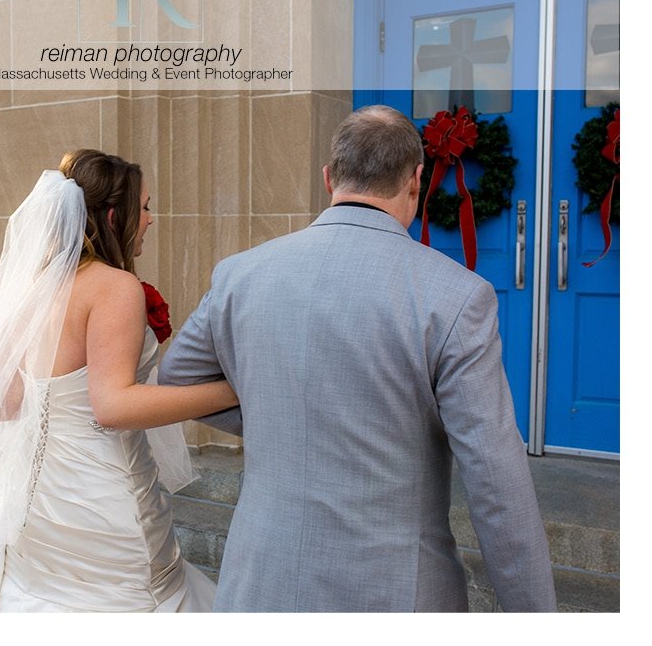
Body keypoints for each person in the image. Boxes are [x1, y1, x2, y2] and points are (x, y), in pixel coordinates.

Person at [160, 105, 557, 613]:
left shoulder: (240, 274)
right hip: (392, 589)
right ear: (417, 182)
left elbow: (178, 381)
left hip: (260, 580)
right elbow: (497, 485)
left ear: (328, 179)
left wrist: (277, 410)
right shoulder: (457, 295)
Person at [0, 150, 233, 611]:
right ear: (115, 215)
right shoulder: (114, 286)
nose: (151, 219)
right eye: (146, 206)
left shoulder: (38, 287)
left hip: (39, 501)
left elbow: (4, 402)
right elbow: (113, 408)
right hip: (102, 497)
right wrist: (232, 389)